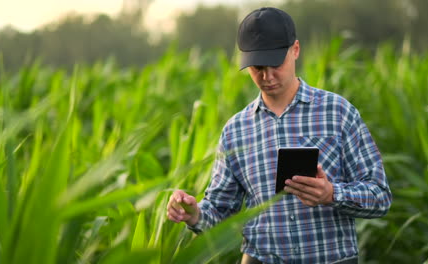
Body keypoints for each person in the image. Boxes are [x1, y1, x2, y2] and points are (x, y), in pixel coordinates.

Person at [167, 7, 392, 264]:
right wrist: (194, 214)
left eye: (275, 64)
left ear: (295, 49)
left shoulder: (338, 113)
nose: (267, 76)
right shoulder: (235, 130)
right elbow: (220, 212)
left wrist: (331, 194)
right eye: (257, 68)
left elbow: (379, 195)